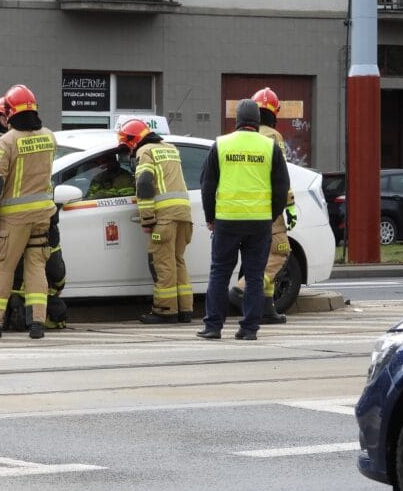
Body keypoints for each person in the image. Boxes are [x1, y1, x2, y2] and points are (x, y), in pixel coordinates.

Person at [197, 99, 290, 341]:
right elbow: (282, 187)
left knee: (219, 273)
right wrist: (271, 215)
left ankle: (213, 327)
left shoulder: (222, 144)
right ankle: (249, 329)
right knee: (255, 275)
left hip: (226, 221)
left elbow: (207, 185)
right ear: (257, 121)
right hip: (259, 223)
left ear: (237, 120)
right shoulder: (269, 147)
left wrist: (210, 217)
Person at [0, 84, 57, 340]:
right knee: (36, 266)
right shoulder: (49, 137)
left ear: (10, 112)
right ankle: (37, 322)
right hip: (42, 215)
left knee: (3, 267)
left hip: (14, 219)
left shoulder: (7, 141)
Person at [230, 87, 298, 324]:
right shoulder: (273, 137)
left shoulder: (240, 136)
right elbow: (281, 176)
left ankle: (266, 307)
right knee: (281, 251)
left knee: (263, 254)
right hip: (270, 206)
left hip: (243, 207)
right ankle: (244, 288)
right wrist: (289, 205)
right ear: (274, 112)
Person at [117, 119, 193, 324]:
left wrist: (147, 219)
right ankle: (185, 309)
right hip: (184, 215)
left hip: (165, 217)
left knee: (163, 263)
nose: (128, 151)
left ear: (133, 141)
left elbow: (143, 184)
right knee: (178, 261)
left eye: (126, 145)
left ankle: (166, 310)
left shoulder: (145, 152)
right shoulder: (170, 149)